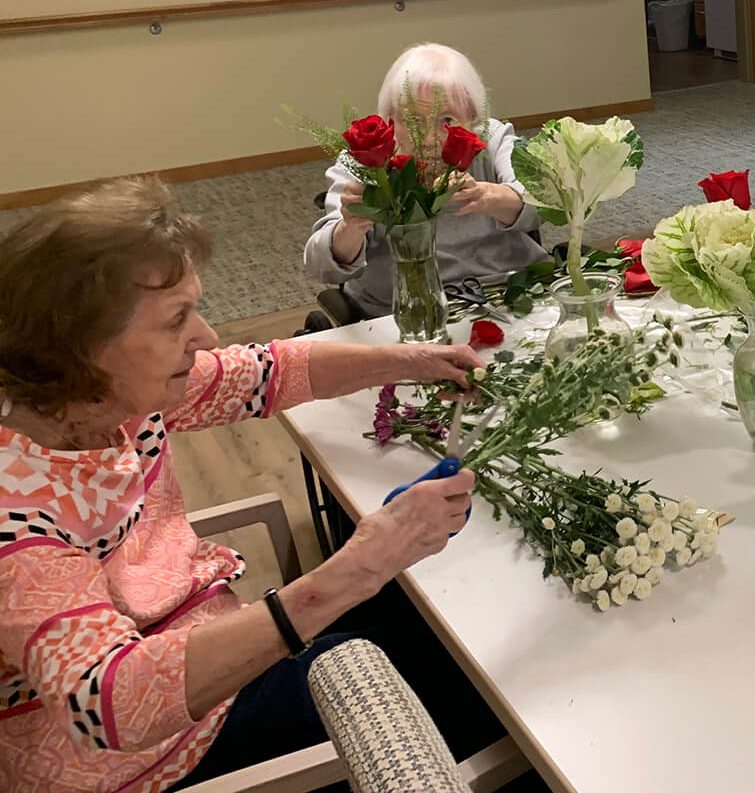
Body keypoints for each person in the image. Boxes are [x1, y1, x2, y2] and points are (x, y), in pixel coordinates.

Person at [0, 178, 495, 791]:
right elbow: (112, 702)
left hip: (199, 640)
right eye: (177, 319)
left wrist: (411, 360)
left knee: (434, 616)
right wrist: (365, 563)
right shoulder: (16, 516)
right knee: (485, 687)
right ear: (78, 347)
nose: (205, 335)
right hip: (153, 756)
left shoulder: (103, 399)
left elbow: (266, 371)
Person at [305, 43, 548, 322]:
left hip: (508, 290)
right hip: (403, 309)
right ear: (391, 119)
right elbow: (321, 267)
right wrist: (351, 227)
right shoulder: (366, 160)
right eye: (414, 121)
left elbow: (546, 206)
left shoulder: (492, 138)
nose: (431, 139)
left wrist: (488, 196)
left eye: (447, 119)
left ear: (472, 116)